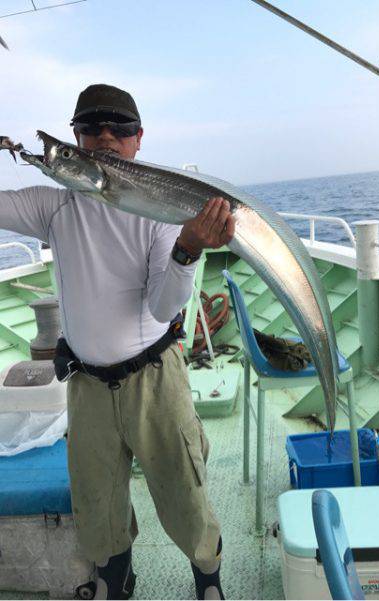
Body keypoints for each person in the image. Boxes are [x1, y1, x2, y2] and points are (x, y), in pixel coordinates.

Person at [0, 84, 234, 600]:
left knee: (183, 491)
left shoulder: (157, 208)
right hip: (86, 383)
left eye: (119, 128)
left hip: (154, 378)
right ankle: (115, 579)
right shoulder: (52, 207)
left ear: (138, 139)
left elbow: (161, 308)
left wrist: (188, 247)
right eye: (90, 128)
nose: (105, 137)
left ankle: (208, 581)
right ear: (77, 139)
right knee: (97, 501)